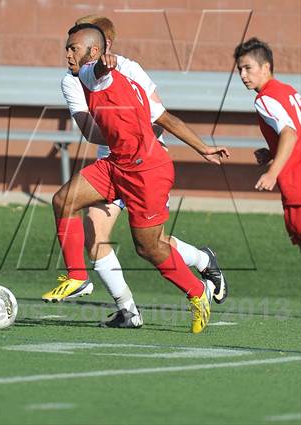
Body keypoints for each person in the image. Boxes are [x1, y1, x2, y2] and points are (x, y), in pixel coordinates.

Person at [43, 24, 230, 334]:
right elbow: (166, 118)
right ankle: (77, 277)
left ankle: (197, 292)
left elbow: (105, 74)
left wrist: (104, 64)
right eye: (67, 47)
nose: (67, 53)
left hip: (147, 171)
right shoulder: (98, 79)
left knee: (149, 247)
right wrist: (203, 148)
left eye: (73, 48)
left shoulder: (94, 72)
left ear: (93, 52)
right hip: (116, 163)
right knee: (64, 200)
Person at [234, 37, 301, 247]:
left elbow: (290, 133)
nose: (243, 75)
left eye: (247, 68)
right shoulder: (289, 90)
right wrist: (273, 151)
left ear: (265, 67)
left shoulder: (264, 98)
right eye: (239, 70)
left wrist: (272, 173)